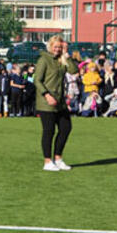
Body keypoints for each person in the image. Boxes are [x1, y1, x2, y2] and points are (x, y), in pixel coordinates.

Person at [34, 36, 78, 172]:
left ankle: (58, 158)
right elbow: (37, 80)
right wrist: (47, 95)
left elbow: (73, 70)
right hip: (46, 102)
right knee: (49, 131)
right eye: (56, 46)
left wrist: (67, 55)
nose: (58, 49)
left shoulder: (62, 60)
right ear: (50, 46)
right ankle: (47, 161)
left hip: (60, 101)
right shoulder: (44, 59)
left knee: (66, 127)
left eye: (60, 46)